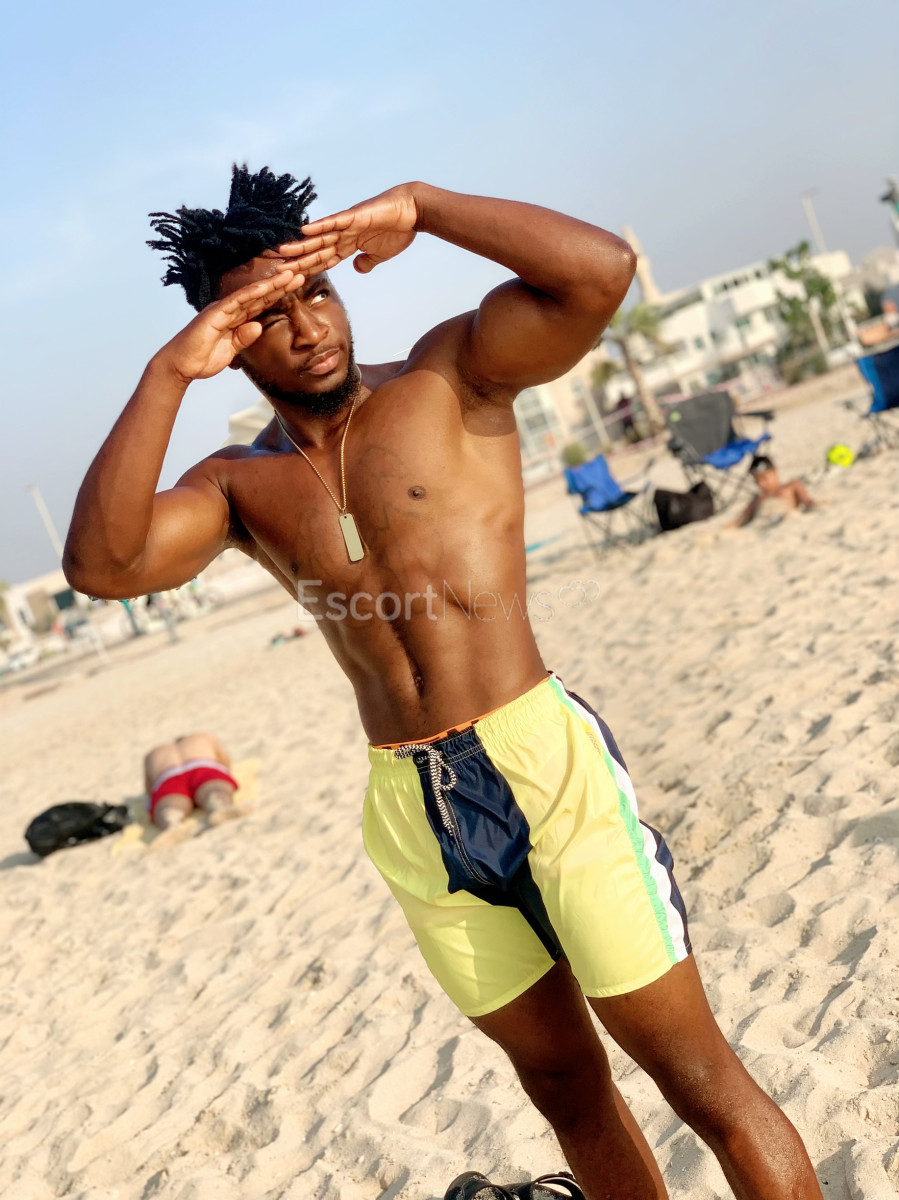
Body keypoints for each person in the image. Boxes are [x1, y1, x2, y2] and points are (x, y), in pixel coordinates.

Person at [64, 166, 822, 1199]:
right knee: (565, 1091)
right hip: (412, 811)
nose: (307, 327)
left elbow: (599, 273)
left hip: (542, 765)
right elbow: (102, 567)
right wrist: (166, 376)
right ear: (228, 339)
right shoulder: (236, 486)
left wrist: (423, 209)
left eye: (315, 292)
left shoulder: (448, 378)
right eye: (267, 316)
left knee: (696, 1079)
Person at [144, 731, 238, 830]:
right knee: (213, 791)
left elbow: (150, 790)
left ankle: (171, 823)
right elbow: (225, 763)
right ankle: (219, 806)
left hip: (168, 776)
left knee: (169, 808)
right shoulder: (204, 736)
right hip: (201, 766)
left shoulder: (151, 754)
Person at [732, 454, 817, 528]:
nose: (761, 484)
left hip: (785, 524)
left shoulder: (791, 486)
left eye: (764, 478)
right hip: (760, 529)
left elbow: (808, 503)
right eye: (757, 480)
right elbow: (739, 521)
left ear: (774, 471)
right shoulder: (757, 498)